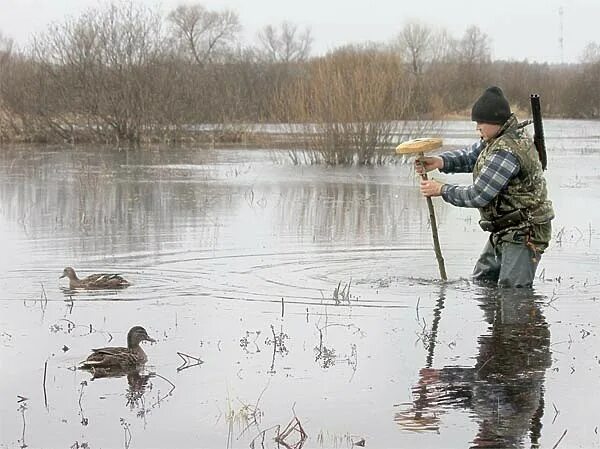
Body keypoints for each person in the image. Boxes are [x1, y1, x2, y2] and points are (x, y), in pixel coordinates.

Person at [417, 86, 554, 288]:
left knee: (513, 294)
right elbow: (472, 157)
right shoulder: (496, 139)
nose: (477, 128)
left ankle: (521, 320)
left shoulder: (508, 150)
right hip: (505, 229)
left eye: (480, 123)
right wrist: (440, 161)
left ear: (496, 121)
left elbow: (479, 195)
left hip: (525, 231)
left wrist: (441, 189)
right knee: (482, 284)